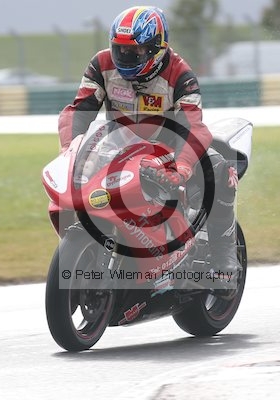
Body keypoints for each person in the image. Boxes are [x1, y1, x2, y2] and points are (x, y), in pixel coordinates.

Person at [57, 5, 241, 290]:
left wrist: (182, 166)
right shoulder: (101, 64)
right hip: (118, 145)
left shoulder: (181, 75)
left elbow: (193, 127)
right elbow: (79, 110)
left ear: (157, 49)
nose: (125, 57)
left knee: (218, 168)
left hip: (168, 150)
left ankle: (223, 252)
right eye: (120, 49)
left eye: (135, 51)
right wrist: (71, 149)